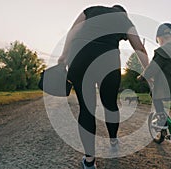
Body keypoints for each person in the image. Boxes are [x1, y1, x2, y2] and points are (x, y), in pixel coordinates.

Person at [58, 5, 148, 169]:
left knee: (86, 109)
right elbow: (139, 47)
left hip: (79, 56)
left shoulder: (90, 10)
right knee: (110, 104)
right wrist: (148, 71)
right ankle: (113, 140)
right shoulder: (124, 18)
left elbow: (73, 31)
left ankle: (89, 161)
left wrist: (64, 55)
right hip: (108, 60)